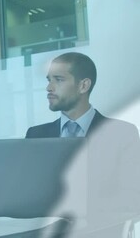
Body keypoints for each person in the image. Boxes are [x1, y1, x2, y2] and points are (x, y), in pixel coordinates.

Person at [26, 52, 140, 237]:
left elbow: (133, 197)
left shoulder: (122, 133)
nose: (49, 87)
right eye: (48, 80)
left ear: (83, 85)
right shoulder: (35, 135)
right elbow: (26, 193)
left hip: (101, 232)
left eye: (58, 79)